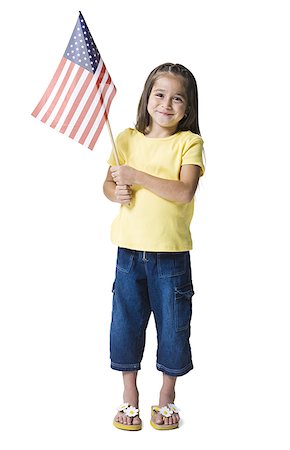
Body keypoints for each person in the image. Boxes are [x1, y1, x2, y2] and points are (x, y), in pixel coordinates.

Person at [103, 62, 205, 431]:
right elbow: (109, 186)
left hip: (171, 257)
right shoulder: (126, 140)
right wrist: (118, 189)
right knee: (125, 325)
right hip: (128, 253)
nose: (167, 103)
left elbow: (183, 191)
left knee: (174, 327)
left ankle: (166, 396)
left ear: (188, 108)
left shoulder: (189, 143)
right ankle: (129, 397)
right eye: (160, 95)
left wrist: (136, 176)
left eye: (177, 98)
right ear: (147, 98)